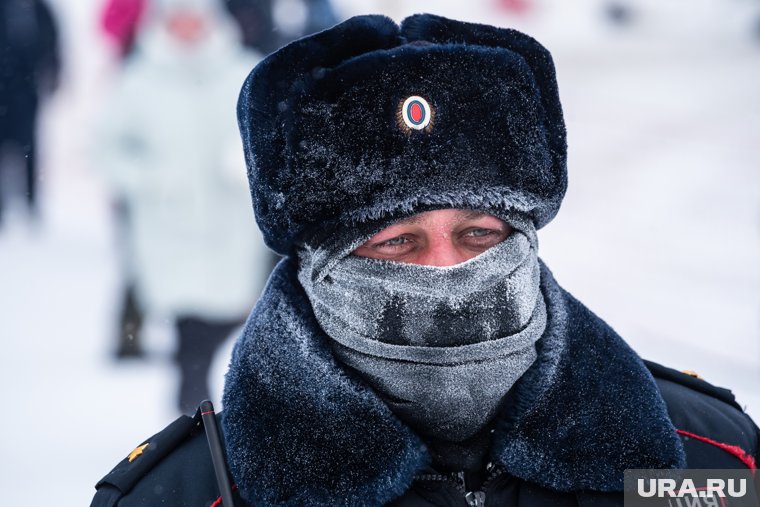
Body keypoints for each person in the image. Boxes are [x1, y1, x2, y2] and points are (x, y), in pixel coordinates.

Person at [90, 13, 760, 507]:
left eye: (478, 234)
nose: (447, 272)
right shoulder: (187, 494)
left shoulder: (705, 458)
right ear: (321, 265)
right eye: (397, 242)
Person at [95, 0, 271, 411]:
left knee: (232, 321)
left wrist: (246, 158)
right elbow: (106, 149)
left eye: (196, 20)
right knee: (190, 332)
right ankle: (196, 424)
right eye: (179, 20)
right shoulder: (138, 80)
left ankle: (209, 419)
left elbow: (275, 134)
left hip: (232, 229)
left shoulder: (243, 70)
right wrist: (149, 177)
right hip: (169, 228)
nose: (188, 29)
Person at [0, 0, 60, 226]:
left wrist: (54, 74)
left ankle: (31, 202)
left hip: (27, 90)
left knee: (29, 148)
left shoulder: (40, 8)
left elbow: (53, 42)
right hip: (2, 89)